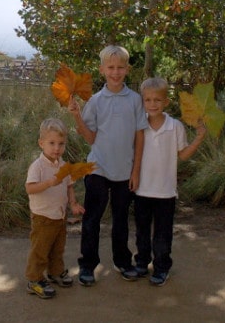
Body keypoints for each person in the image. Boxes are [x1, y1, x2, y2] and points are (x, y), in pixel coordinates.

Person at [68, 45, 148, 286]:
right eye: (110, 67)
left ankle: (123, 261)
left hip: (125, 171)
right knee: (92, 219)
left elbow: (139, 137)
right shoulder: (95, 101)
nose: (115, 72)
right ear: (102, 69)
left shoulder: (135, 100)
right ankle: (88, 265)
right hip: (98, 168)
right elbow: (91, 137)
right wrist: (77, 116)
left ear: (127, 69)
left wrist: (135, 171)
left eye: (120, 67)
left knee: (121, 219)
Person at [133, 77, 207, 286]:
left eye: (157, 100)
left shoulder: (175, 127)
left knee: (163, 235)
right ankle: (141, 262)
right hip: (141, 190)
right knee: (142, 232)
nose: (152, 104)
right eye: (147, 100)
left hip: (165, 192)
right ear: (142, 101)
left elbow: (182, 155)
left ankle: (162, 267)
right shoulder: (138, 126)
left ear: (166, 102)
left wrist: (198, 139)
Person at [25, 118, 85, 299]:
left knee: (57, 248)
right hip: (42, 217)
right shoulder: (38, 166)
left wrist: (73, 203)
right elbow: (30, 188)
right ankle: (34, 279)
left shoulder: (64, 165)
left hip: (59, 216)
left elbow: (69, 186)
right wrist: (49, 182)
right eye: (51, 143)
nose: (56, 148)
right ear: (41, 143)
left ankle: (55, 272)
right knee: (41, 249)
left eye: (61, 144)